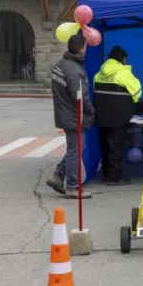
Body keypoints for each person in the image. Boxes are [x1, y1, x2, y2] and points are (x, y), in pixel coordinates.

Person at [47, 33, 94, 199]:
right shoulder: (75, 70)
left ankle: (59, 175)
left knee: (76, 148)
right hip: (75, 116)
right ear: (81, 50)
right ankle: (73, 187)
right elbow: (80, 96)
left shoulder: (61, 65)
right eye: (85, 47)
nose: (86, 50)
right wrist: (91, 111)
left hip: (65, 114)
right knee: (76, 150)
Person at [93, 45, 143, 186]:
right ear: (123, 59)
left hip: (101, 116)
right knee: (116, 147)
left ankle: (106, 174)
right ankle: (115, 178)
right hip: (118, 117)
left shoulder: (98, 74)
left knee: (105, 146)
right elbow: (137, 92)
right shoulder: (123, 73)